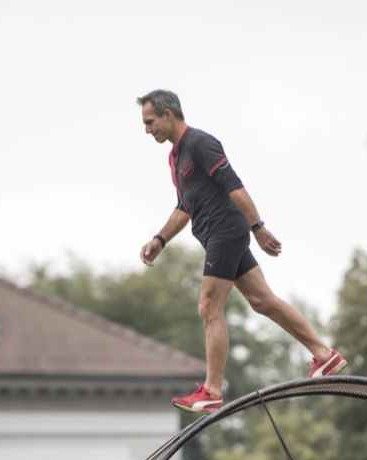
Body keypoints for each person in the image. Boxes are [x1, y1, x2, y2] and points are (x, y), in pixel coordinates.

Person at [137, 89, 346, 413]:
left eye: (150, 122)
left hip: (227, 232)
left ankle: (212, 391)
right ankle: (324, 354)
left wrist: (258, 227)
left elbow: (234, 185)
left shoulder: (200, 144)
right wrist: (160, 240)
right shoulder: (175, 157)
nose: (148, 130)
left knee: (208, 306)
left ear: (168, 114)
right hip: (216, 236)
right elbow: (184, 206)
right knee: (263, 301)